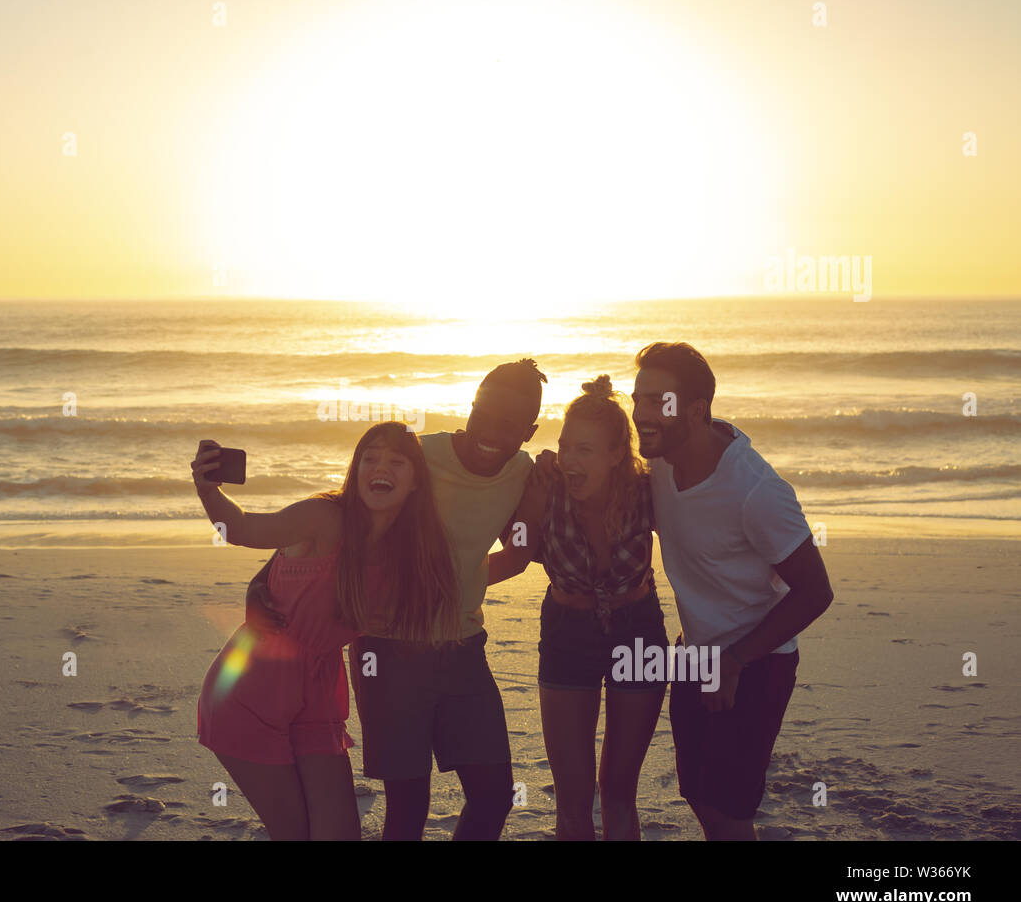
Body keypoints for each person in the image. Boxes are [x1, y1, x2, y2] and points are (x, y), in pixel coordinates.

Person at [247, 359, 545, 840]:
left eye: (512, 424)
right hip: (387, 653)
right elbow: (339, 514)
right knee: (408, 806)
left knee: (493, 795)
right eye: (486, 414)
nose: (494, 431)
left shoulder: (523, 473)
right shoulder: (416, 458)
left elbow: (517, 552)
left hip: (465, 650)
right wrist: (265, 576)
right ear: (471, 406)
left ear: (529, 432)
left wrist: (457, 583)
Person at [191, 421, 457, 840]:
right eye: (369, 458)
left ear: (415, 482)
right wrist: (208, 490)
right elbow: (241, 528)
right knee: (295, 834)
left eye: (395, 461)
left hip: (316, 696)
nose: (378, 468)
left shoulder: (405, 554)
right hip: (248, 691)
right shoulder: (323, 517)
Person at [630, 342, 833, 840]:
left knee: (731, 810)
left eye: (660, 401)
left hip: (757, 663)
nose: (642, 414)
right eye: (638, 399)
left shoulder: (754, 490)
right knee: (698, 796)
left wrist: (735, 661)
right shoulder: (657, 462)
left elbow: (815, 591)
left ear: (697, 410)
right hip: (694, 653)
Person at [488, 374, 668, 840]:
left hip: (638, 629)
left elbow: (699, 537)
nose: (569, 460)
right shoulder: (547, 490)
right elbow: (517, 550)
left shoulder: (646, 491)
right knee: (572, 797)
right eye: (566, 446)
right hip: (568, 631)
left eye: (585, 450)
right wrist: (532, 496)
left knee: (619, 790)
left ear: (615, 455)